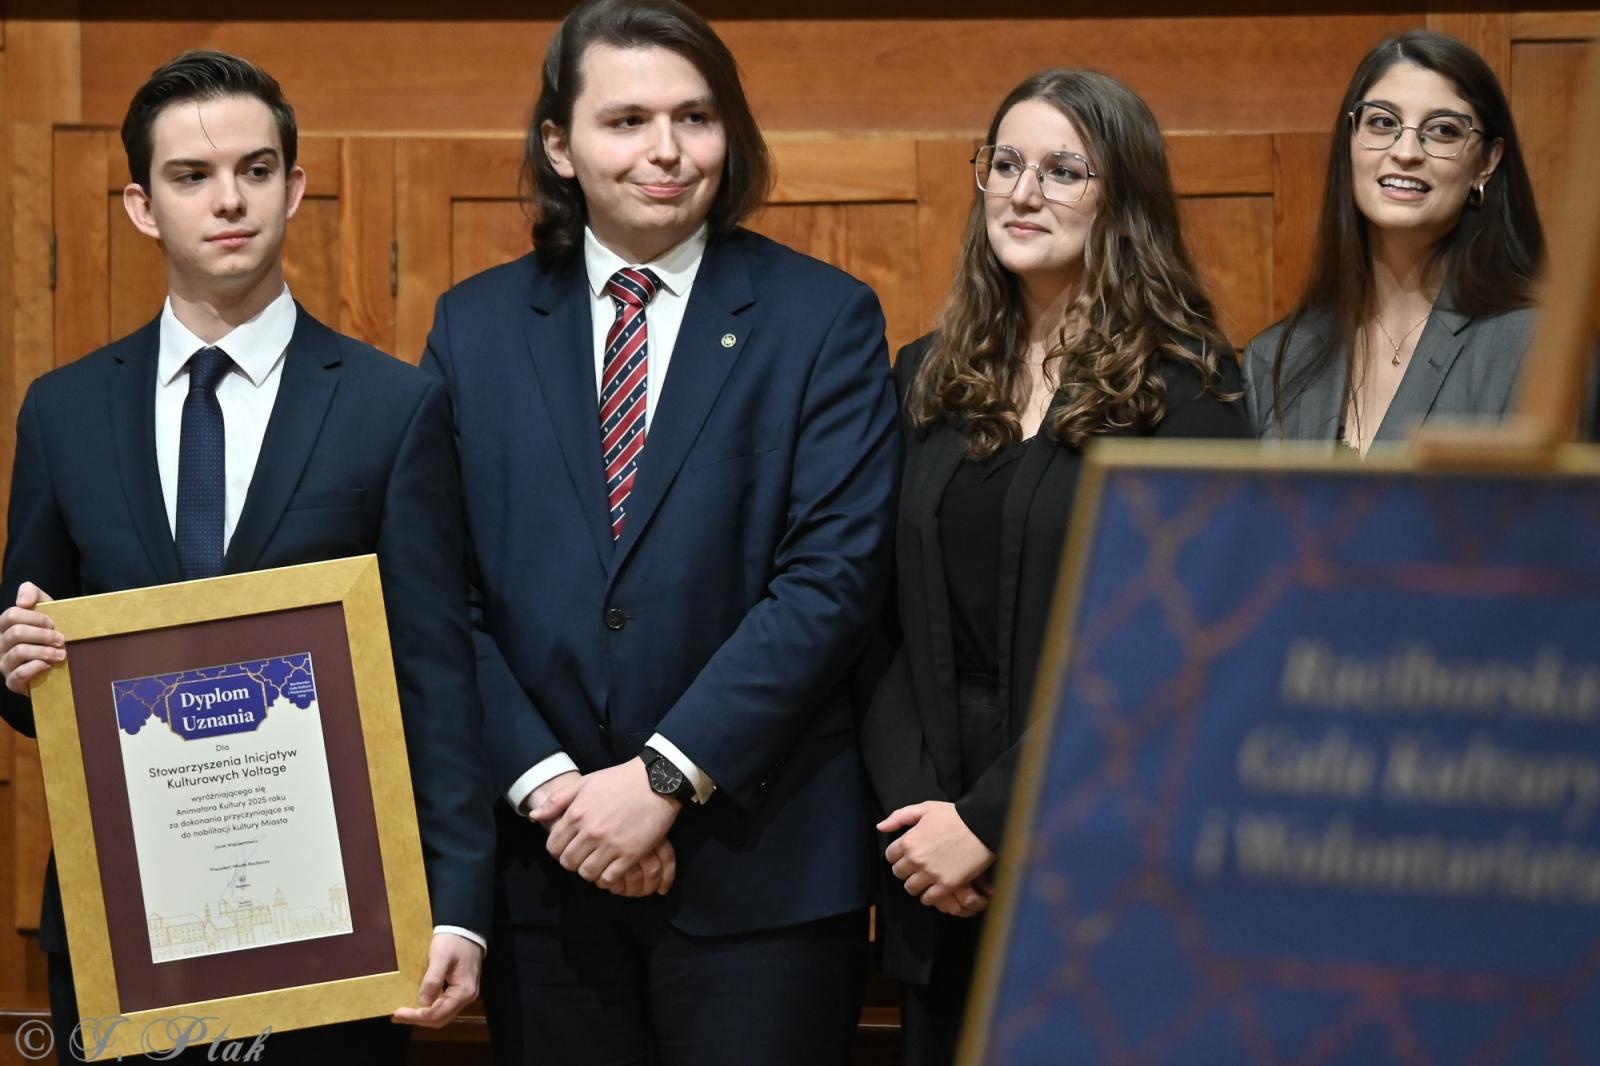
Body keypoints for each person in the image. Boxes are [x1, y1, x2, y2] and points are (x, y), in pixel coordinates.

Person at [417, 1, 899, 1063]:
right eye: (627, 118)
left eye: (696, 116)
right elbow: (438, 595)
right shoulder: (474, 325)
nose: (666, 150)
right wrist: (556, 793)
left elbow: (832, 580)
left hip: (758, 875)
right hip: (545, 878)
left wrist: (662, 778)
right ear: (561, 143)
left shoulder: (825, 319)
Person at [0, 51, 494, 1063]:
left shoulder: (391, 409)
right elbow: (33, 669)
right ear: (142, 205)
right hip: (128, 922)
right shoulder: (63, 411)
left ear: (295, 187)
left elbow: (436, 676)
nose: (229, 200)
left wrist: (459, 907)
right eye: (191, 177)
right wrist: (16, 661)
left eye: (257, 171)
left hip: (339, 919)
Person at [858, 68, 1250, 1066]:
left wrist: (994, 821)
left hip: (1101, 860)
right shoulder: (928, 374)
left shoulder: (1192, 392)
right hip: (932, 866)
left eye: (1064, 170)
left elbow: (1169, 662)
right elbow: (881, 620)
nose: (1023, 192)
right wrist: (923, 827)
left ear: (1123, 200)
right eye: (1006, 163)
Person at [1243, 29, 1545, 450]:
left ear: (1486, 163)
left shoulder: (1535, 347)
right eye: (1382, 122)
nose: (1406, 151)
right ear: (1350, 142)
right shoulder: (1274, 359)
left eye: (1442, 130)